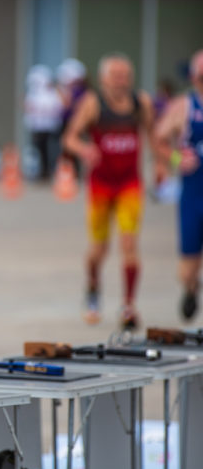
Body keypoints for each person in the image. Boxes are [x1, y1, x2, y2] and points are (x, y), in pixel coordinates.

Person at [62, 53, 156, 332]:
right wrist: (84, 149)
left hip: (129, 184)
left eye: (125, 75)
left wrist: (165, 163)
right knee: (99, 249)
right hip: (101, 186)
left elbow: (154, 137)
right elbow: (69, 138)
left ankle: (128, 305)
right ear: (103, 79)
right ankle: (93, 286)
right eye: (115, 76)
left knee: (129, 244)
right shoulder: (93, 104)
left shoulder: (141, 103)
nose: (120, 81)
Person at [155, 49, 203, 321]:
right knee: (186, 270)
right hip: (194, 195)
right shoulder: (184, 106)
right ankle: (191, 287)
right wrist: (175, 158)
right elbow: (158, 139)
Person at [23, 64, 64, 181]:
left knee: (51, 149)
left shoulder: (53, 93)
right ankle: (41, 171)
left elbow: (58, 107)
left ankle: (51, 170)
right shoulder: (34, 93)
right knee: (38, 150)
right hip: (37, 127)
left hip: (50, 127)